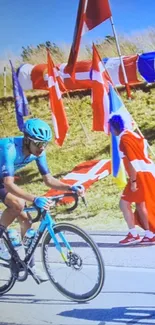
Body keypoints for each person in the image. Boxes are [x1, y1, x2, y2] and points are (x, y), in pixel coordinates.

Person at [0, 118, 84, 281]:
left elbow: (48, 180)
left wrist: (70, 187)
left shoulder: (38, 152)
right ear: (26, 140)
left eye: (45, 143)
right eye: (38, 143)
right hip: (4, 181)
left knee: (27, 221)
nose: (42, 147)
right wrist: (35, 198)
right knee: (18, 204)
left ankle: (29, 266)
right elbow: (9, 185)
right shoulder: (9, 149)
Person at [109, 114, 155, 245]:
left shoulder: (124, 139)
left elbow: (131, 161)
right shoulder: (135, 135)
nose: (111, 130)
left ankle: (134, 234)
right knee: (141, 205)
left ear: (114, 127)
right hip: (148, 172)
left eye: (111, 127)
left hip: (138, 175)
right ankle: (150, 233)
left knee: (123, 204)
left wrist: (133, 181)